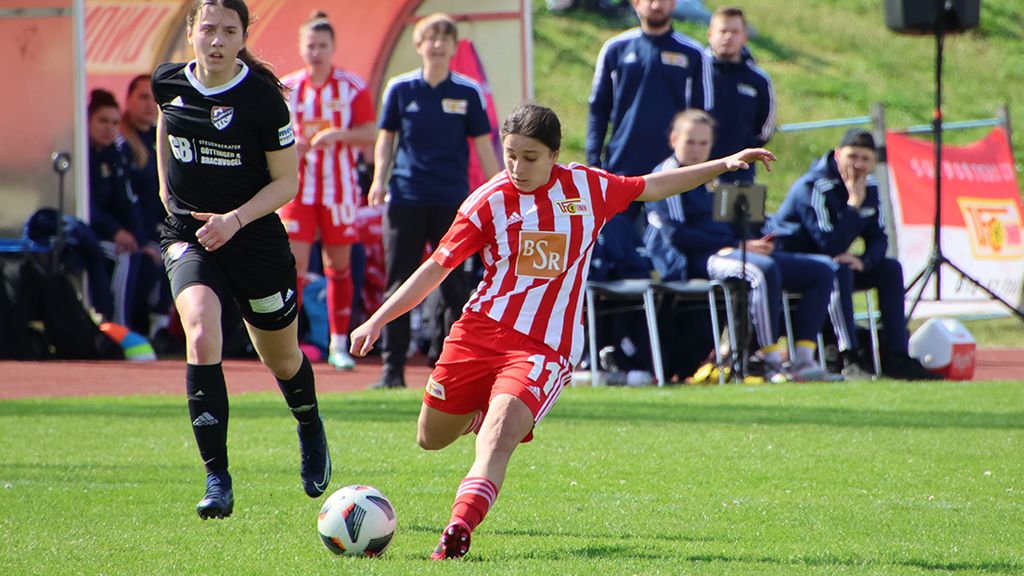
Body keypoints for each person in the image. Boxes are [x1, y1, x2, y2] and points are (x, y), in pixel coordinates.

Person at [350, 102, 775, 559]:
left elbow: (652, 186)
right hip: (478, 332)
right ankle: (481, 414)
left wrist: (725, 163)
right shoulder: (488, 200)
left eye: (530, 157)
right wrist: (378, 319)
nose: (517, 167)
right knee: (430, 438)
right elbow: (436, 267)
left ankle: (457, 529)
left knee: (498, 437)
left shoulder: (587, 187)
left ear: (554, 154)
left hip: (544, 347)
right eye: (511, 154)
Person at [152, 0, 331, 520]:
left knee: (281, 358)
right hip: (189, 234)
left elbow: (287, 183)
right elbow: (166, 127)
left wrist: (234, 219)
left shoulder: (262, 98)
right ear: (191, 33)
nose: (216, 40)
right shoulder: (167, 82)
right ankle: (217, 477)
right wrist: (166, 188)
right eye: (207, 29)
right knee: (202, 331)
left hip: (252, 239)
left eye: (228, 31)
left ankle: (309, 424)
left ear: (243, 36)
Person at [645, 110, 836, 381]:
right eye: (690, 141)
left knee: (822, 269)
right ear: (674, 139)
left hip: (734, 251)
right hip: (695, 260)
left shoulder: (714, 176)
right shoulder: (666, 176)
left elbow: (739, 222)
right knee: (762, 270)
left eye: (703, 143)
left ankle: (803, 359)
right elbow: (678, 238)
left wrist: (762, 239)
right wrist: (737, 244)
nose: (697, 149)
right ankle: (770, 362)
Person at [369, 12, 500, 389]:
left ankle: (449, 368)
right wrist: (379, 179)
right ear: (419, 44)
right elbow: (385, 139)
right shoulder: (400, 88)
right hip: (406, 198)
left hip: (451, 202)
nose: (438, 44)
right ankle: (391, 371)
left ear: (454, 46)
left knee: (453, 285)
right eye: (431, 37)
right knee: (398, 284)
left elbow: (483, 148)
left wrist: (497, 189)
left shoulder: (468, 92)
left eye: (445, 38)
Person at [765, 128, 940, 380]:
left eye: (865, 159)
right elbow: (829, 245)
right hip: (797, 265)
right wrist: (853, 205)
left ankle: (896, 355)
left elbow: (879, 238)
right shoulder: (814, 186)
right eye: (852, 156)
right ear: (837, 155)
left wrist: (864, 260)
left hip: (835, 263)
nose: (858, 164)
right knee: (837, 270)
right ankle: (849, 355)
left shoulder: (869, 185)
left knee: (890, 269)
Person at [280, 11, 377, 371]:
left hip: (338, 191)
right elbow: (270, 137)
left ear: (333, 47)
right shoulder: (287, 88)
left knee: (338, 267)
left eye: (323, 45)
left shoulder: (352, 87)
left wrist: (340, 136)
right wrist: (293, 144)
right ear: (301, 48)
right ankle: (286, 342)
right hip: (296, 191)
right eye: (311, 45)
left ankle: (339, 344)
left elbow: (371, 134)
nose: (317, 52)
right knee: (293, 267)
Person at [587, 0, 712, 180]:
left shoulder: (693, 53)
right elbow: (598, 108)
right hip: (621, 165)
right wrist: (593, 161)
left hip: (672, 170)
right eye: (650, 0)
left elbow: (703, 114)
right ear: (636, 3)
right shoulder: (615, 49)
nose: (656, 6)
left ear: (673, 4)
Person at [120, 74, 174, 344]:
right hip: (133, 232)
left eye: (154, 98)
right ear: (127, 99)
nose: (149, 104)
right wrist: (142, 238)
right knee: (156, 256)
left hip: (157, 228)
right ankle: (139, 327)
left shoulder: (159, 138)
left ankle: (162, 327)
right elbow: (127, 201)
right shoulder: (122, 143)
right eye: (142, 97)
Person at [87, 88, 146, 330]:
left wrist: (134, 235)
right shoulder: (80, 155)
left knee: (138, 252)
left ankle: (150, 326)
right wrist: (115, 232)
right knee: (124, 256)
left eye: (114, 122)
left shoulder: (116, 156)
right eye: (102, 121)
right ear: (87, 120)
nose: (109, 128)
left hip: (108, 235)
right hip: (85, 235)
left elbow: (127, 202)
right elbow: (85, 205)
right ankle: (119, 326)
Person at [705, 6, 775, 184]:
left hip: (739, 173)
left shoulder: (758, 80)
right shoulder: (695, 70)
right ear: (710, 34)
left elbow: (765, 128)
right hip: (694, 169)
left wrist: (745, 148)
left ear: (744, 36)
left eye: (735, 31)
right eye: (723, 31)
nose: (728, 36)